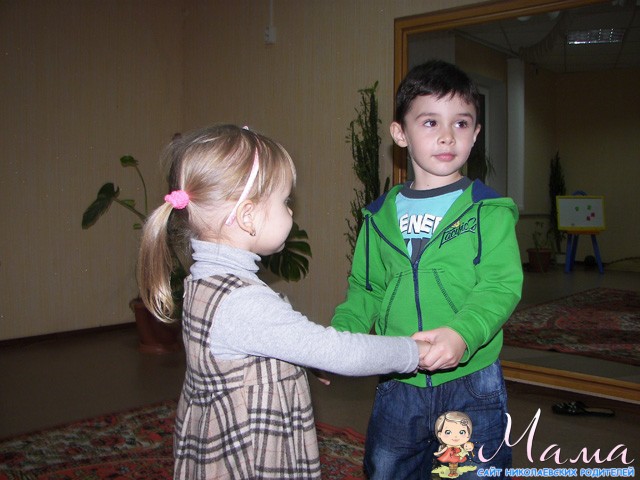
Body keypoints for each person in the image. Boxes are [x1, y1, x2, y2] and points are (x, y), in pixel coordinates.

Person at [137, 124, 432, 479]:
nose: (291, 212)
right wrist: (412, 352)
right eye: (285, 202)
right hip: (252, 454)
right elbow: (338, 352)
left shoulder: (203, 281)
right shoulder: (245, 302)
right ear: (247, 216)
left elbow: (264, 346)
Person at [331, 59, 523, 479]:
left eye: (461, 123)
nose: (447, 136)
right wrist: (338, 339)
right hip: (398, 377)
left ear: (475, 133)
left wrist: (462, 333)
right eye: (431, 122)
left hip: (472, 380)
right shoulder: (377, 218)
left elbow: (500, 286)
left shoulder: (488, 210)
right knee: (388, 470)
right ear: (400, 133)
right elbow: (365, 290)